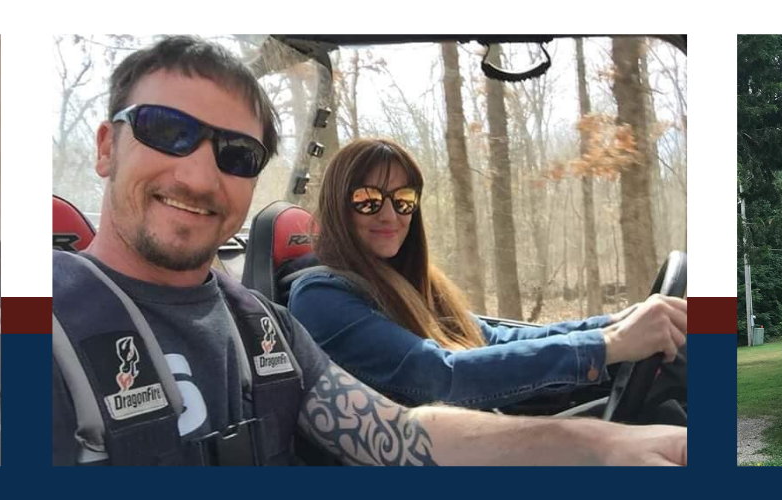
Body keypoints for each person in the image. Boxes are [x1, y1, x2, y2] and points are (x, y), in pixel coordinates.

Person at [50, 36, 686, 466]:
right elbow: (437, 376)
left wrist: (600, 434)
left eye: (236, 154)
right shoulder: (46, 323)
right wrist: (603, 351)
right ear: (107, 146)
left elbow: (406, 430)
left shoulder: (265, 331)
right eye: (168, 131)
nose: (197, 176)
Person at [286, 138, 688, 410]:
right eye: (368, 200)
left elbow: (493, 338)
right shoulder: (320, 297)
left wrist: (615, 323)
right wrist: (605, 346)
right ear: (339, 206)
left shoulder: (404, 282)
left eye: (403, 199)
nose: (390, 214)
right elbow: (441, 377)